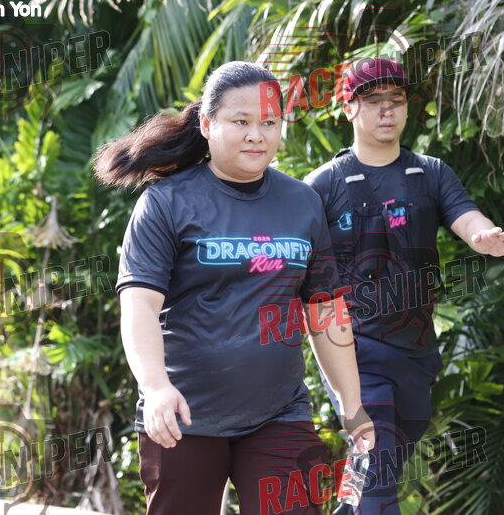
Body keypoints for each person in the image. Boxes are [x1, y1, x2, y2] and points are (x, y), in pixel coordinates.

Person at [94, 61, 375, 515]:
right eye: (240, 122)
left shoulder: (303, 203)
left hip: (279, 412)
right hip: (183, 416)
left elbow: (324, 310)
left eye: (269, 122)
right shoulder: (166, 201)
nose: (256, 136)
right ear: (207, 125)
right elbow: (139, 305)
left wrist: (352, 405)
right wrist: (156, 386)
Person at [304, 57, 504, 515]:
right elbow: (299, 268)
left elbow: (465, 215)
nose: (387, 109)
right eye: (373, 100)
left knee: (381, 467)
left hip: (417, 350)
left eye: (396, 99)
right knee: (378, 466)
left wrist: (483, 235)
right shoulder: (322, 185)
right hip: (354, 349)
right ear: (349, 108)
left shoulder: (430, 173)